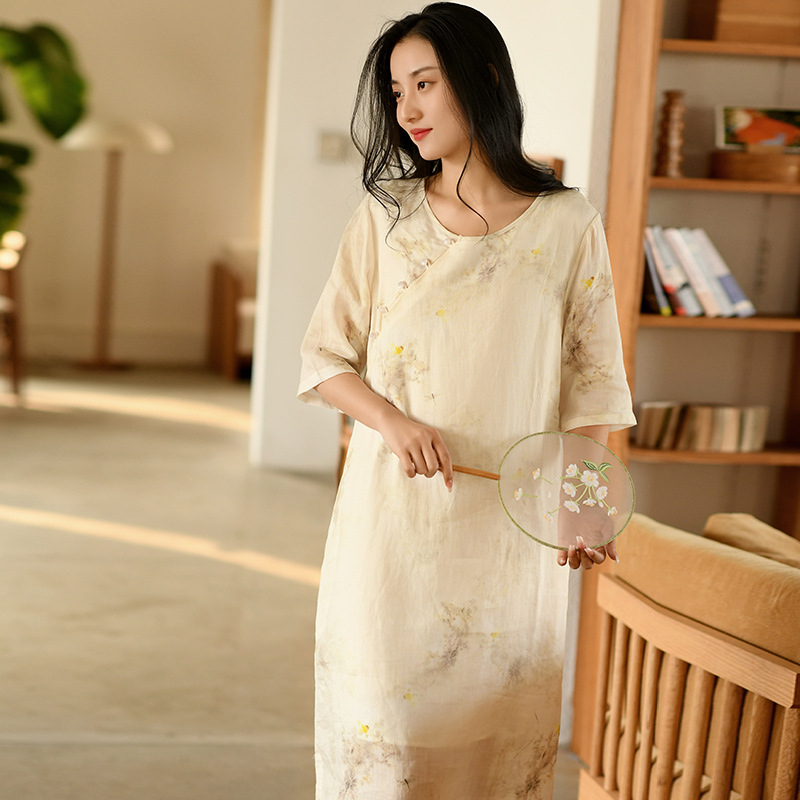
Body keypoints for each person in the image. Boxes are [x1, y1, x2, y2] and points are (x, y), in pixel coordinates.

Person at [297, 3, 636, 797]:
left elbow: (594, 384)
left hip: (509, 545)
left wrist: (583, 508)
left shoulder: (567, 224)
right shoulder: (387, 218)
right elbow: (323, 358)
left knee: (492, 753)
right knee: (387, 746)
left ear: (483, 79)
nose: (406, 110)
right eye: (396, 92)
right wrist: (391, 422)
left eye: (424, 84)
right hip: (391, 534)